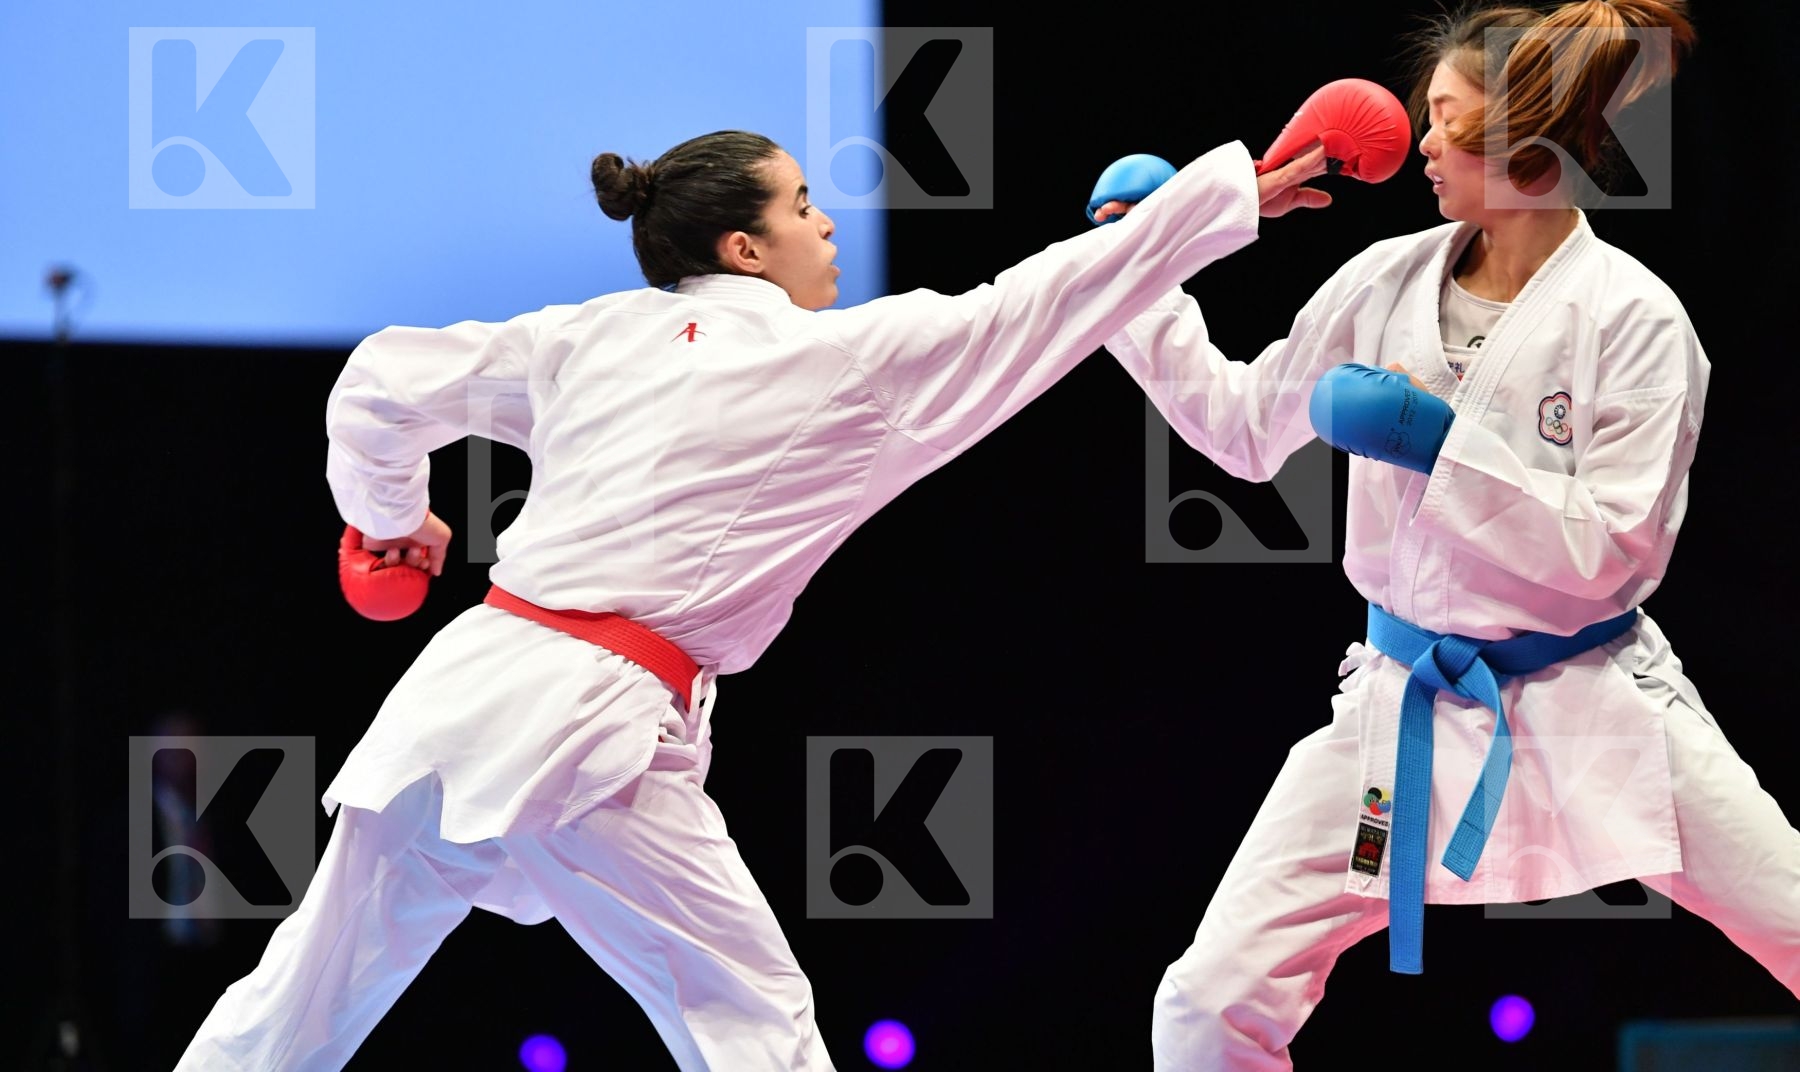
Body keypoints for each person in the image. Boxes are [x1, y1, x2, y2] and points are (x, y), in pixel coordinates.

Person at [174, 127, 1331, 1070]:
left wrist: (388, 520)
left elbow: (379, 381)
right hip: (589, 731)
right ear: (744, 247)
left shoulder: (584, 336)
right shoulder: (836, 363)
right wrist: (1221, 201)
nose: (827, 222)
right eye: (802, 205)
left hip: (456, 703)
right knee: (753, 1026)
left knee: (287, 1018)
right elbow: (1028, 308)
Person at [1095, 0, 1799, 1068]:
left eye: (1447, 122)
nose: (1422, 145)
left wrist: (1443, 447)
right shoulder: (1382, 281)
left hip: (1590, 693)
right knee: (1207, 1003)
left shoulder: (1636, 320)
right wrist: (1140, 271)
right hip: (1404, 700)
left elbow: (1613, 558)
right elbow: (1239, 429)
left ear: (1530, 139)